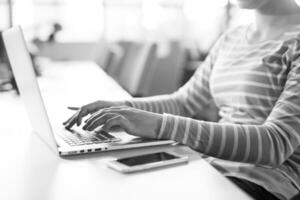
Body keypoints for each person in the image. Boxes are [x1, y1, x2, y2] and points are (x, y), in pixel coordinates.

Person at [64, 0, 300, 199]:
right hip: (208, 167)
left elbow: (275, 144)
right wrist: (122, 109)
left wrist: (159, 125)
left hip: (264, 182)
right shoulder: (232, 38)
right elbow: (183, 102)